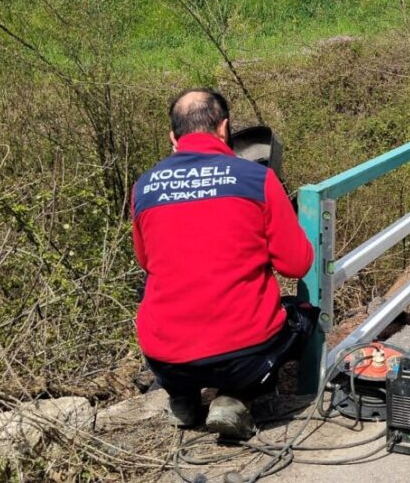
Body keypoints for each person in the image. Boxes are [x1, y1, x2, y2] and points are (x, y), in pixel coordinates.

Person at [131, 88, 314, 439]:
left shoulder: (144, 187)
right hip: (243, 359)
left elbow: (146, 261)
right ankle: (235, 397)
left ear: (173, 137)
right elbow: (297, 264)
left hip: (166, 360)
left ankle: (183, 399)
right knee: (301, 315)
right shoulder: (256, 179)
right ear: (225, 128)